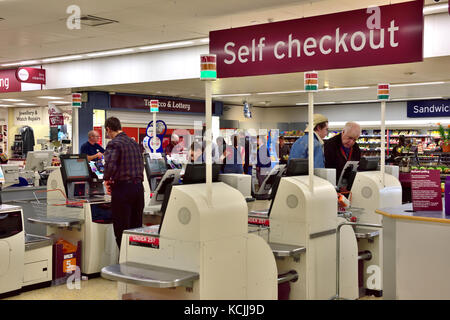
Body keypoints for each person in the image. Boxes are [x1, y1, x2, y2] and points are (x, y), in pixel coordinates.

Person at [103, 117, 144, 249]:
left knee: (122, 229)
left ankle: (124, 262)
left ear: (108, 129)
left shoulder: (114, 143)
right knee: (135, 229)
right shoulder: (134, 143)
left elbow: (110, 165)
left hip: (123, 189)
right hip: (138, 189)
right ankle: (134, 260)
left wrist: (106, 180)